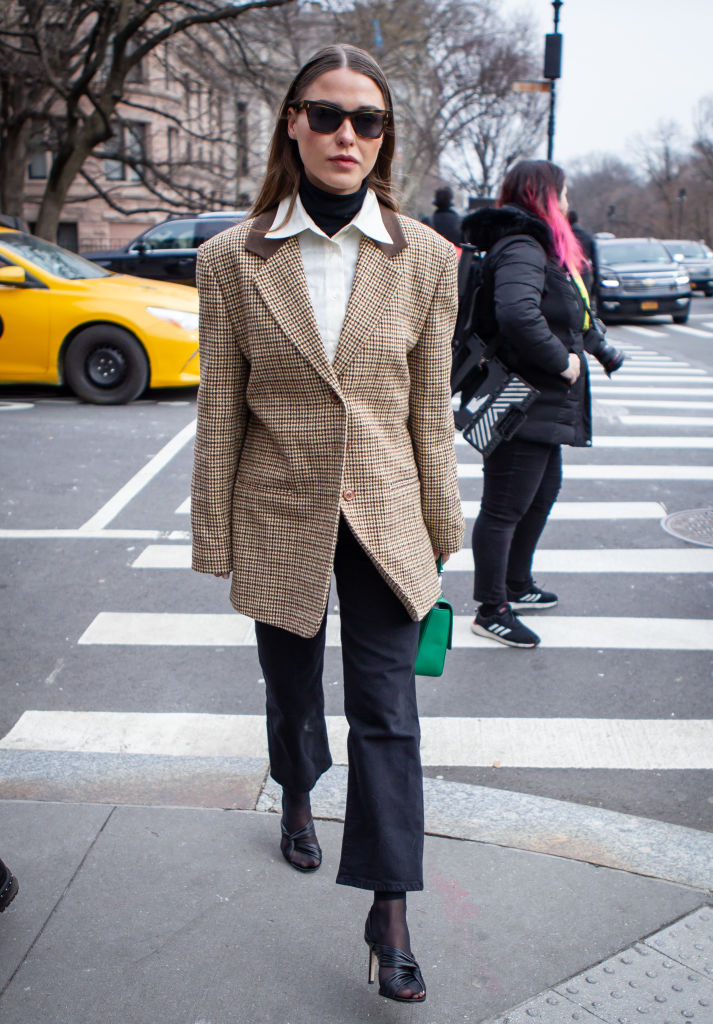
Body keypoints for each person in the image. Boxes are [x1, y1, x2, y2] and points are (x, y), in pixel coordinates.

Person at [191, 43, 464, 1003]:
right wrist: (212, 536)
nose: (347, 133)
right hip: (279, 511)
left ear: (384, 138)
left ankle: (388, 910)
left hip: (387, 518)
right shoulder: (232, 256)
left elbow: (429, 412)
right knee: (292, 685)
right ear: (293, 125)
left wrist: (444, 539)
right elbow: (221, 404)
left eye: (367, 120)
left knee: (389, 718)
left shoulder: (428, 257)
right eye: (327, 114)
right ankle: (298, 789)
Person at [461, 159, 592, 649]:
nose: (567, 203)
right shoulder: (520, 246)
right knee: (506, 506)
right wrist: (561, 361)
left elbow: (565, 312)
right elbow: (516, 313)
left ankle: (517, 583)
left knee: (541, 493)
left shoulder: (534, 247)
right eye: (562, 193)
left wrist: (594, 350)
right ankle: (491, 608)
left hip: (538, 400)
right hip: (519, 396)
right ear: (542, 194)